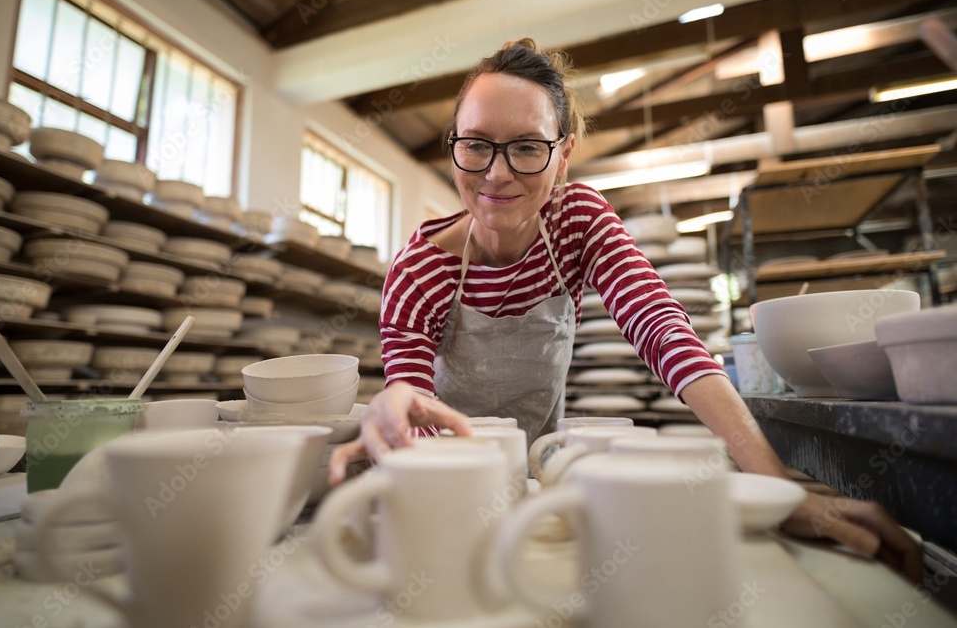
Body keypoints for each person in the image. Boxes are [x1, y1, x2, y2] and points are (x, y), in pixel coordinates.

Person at [330, 38, 923, 583]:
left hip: (541, 479)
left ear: (562, 157)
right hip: (450, 486)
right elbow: (410, 409)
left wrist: (777, 491)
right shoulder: (419, 270)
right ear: (453, 147)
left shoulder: (579, 222)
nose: (498, 172)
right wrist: (394, 409)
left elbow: (664, 331)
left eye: (528, 148)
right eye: (477, 145)